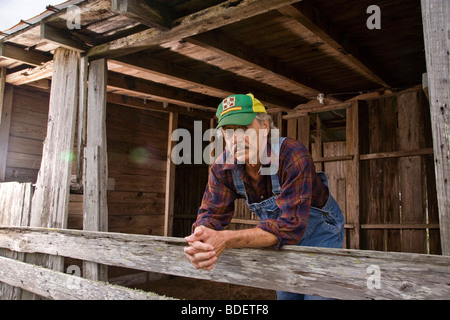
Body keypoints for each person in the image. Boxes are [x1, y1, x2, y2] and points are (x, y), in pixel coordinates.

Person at [184, 93, 344, 300]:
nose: (237, 140)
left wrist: (226, 239)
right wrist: (201, 237)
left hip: (320, 233)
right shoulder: (222, 168)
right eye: (228, 131)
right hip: (277, 237)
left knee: (318, 297)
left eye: (244, 128)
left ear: (265, 127)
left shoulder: (291, 155)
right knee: (287, 297)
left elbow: (290, 226)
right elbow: (210, 214)